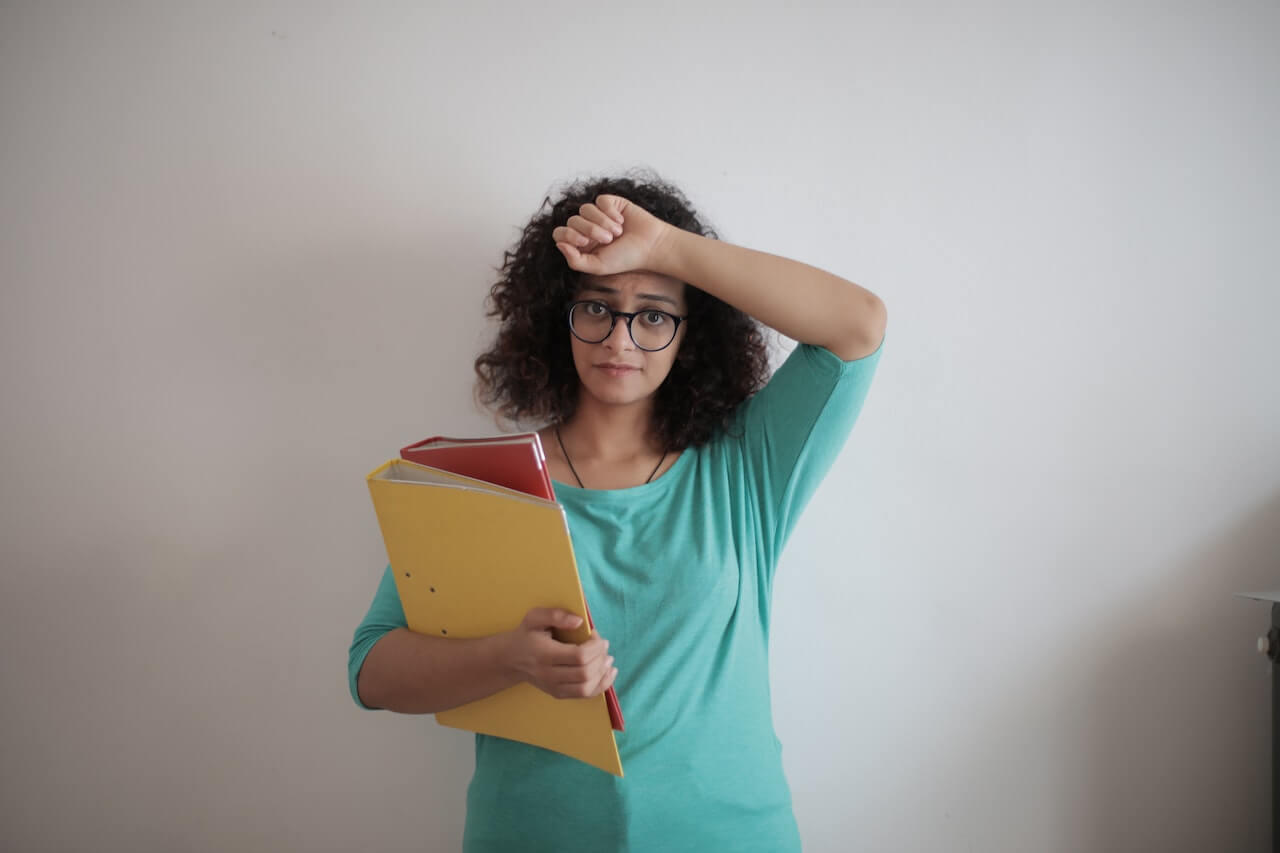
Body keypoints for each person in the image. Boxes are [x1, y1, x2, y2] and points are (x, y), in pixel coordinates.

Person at [348, 170, 886, 852]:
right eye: (597, 307)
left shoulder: (747, 465)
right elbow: (371, 670)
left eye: (655, 313)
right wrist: (509, 658)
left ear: (690, 332)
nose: (620, 339)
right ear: (558, 317)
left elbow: (858, 326)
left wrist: (664, 246)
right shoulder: (483, 484)